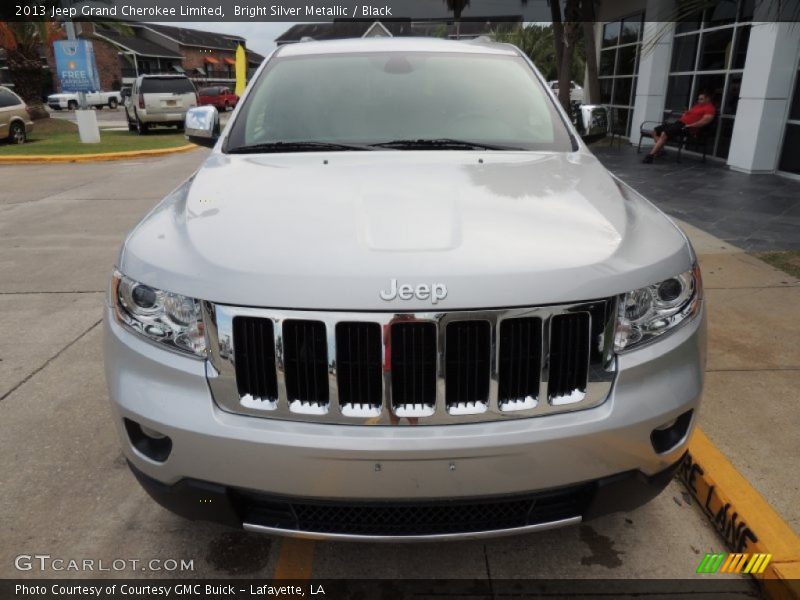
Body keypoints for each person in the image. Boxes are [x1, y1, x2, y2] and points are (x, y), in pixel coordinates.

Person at [642, 92, 716, 163]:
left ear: (708, 99)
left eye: (701, 99)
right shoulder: (697, 106)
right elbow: (689, 114)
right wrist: (686, 114)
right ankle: (660, 151)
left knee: (664, 134)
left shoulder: (710, 108)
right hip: (679, 123)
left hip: (687, 127)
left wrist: (691, 125)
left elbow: (704, 122)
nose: (699, 101)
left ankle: (650, 156)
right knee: (655, 131)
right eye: (698, 99)